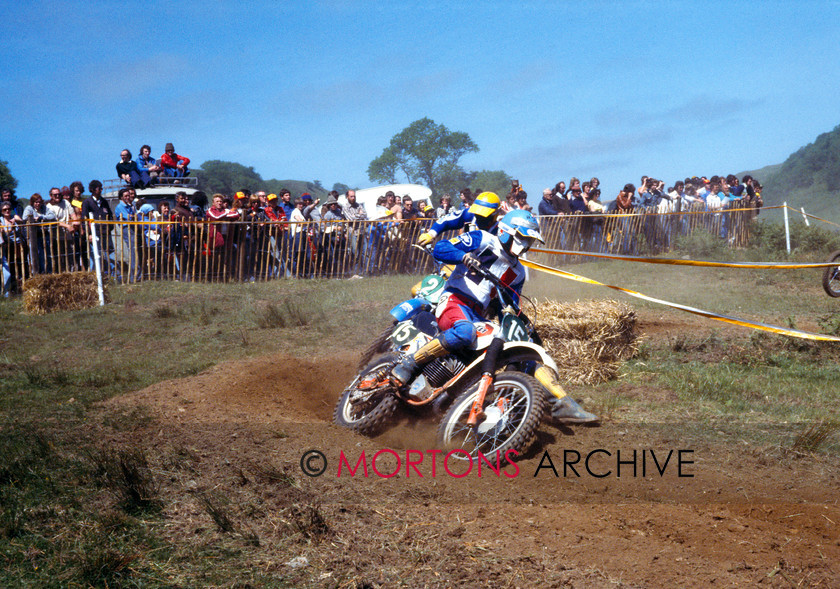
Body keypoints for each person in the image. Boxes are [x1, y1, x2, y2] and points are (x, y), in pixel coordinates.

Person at [416, 191, 501, 246]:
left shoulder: (502, 230)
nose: (479, 216)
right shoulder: (469, 214)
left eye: (483, 214)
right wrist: (431, 234)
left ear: (495, 213)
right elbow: (445, 220)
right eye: (478, 212)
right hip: (465, 258)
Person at [81, 180, 114, 275]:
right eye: (99, 188)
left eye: (101, 188)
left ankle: (111, 276)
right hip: (95, 233)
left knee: (109, 254)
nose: (101, 190)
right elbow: (84, 219)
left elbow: (110, 216)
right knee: (96, 256)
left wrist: (109, 227)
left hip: (106, 233)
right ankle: (94, 277)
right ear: (93, 190)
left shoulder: (104, 201)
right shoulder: (87, 202)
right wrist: (89, 234)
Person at [46, 186, 78, 272]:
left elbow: (72, 213)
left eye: (59, 194)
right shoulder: (49, 207)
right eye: (55, 195)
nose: (57, 196)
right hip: (56, 237)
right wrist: (67, 226)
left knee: (71, 257)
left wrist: (75, 221)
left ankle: (71, 273)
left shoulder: (65, 202)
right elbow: (55, 221)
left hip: (68, 235)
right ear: (50, 196)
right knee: (59, 259)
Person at [22, 193, 56, 273]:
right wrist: (34, 220)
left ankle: (47, 271)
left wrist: (41, 218)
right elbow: (25, 217)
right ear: (32, 202)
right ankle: (34, 272)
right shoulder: (29, 208)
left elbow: (52, 216)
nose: (38, 204)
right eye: (36, 202)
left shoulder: (44, 208)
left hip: (44, 235)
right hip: (33, 236)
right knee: (34, 254)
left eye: (39, 202)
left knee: (46, 254)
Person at [342, 189, 367, 276]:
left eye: (354, 196)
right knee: (355, 252)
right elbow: (350, 219)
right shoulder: (345, 207)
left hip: (361, 231)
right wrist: (359, 215)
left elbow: (365, 215)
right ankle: (356, 272)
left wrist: (357, 216)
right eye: (351, 196)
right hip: (352, 232)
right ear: (347, 197)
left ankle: (364, 271)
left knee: (364, 252)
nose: (353, 198)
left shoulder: (359, 205)